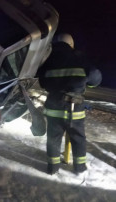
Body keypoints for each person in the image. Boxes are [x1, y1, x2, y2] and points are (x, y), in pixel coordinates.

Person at [37, 33, 102, 175]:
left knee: (53, 138)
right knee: (78, 138)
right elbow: (95, 79)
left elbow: (42, 82)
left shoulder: (48, 60)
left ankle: (53, 167)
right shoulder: (79, 58)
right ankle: (79, 167)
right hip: (74, 109)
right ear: (71, 44)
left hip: (53, 107)